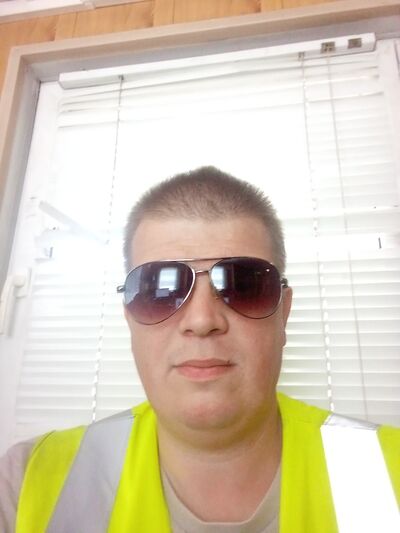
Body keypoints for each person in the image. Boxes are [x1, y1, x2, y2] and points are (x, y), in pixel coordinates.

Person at [0, 166, 399, 533]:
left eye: (243, 284)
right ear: (130, 317)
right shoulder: (26, 483)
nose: (202, 320)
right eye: (160, 289)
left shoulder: (390, 470)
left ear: (284, 313)